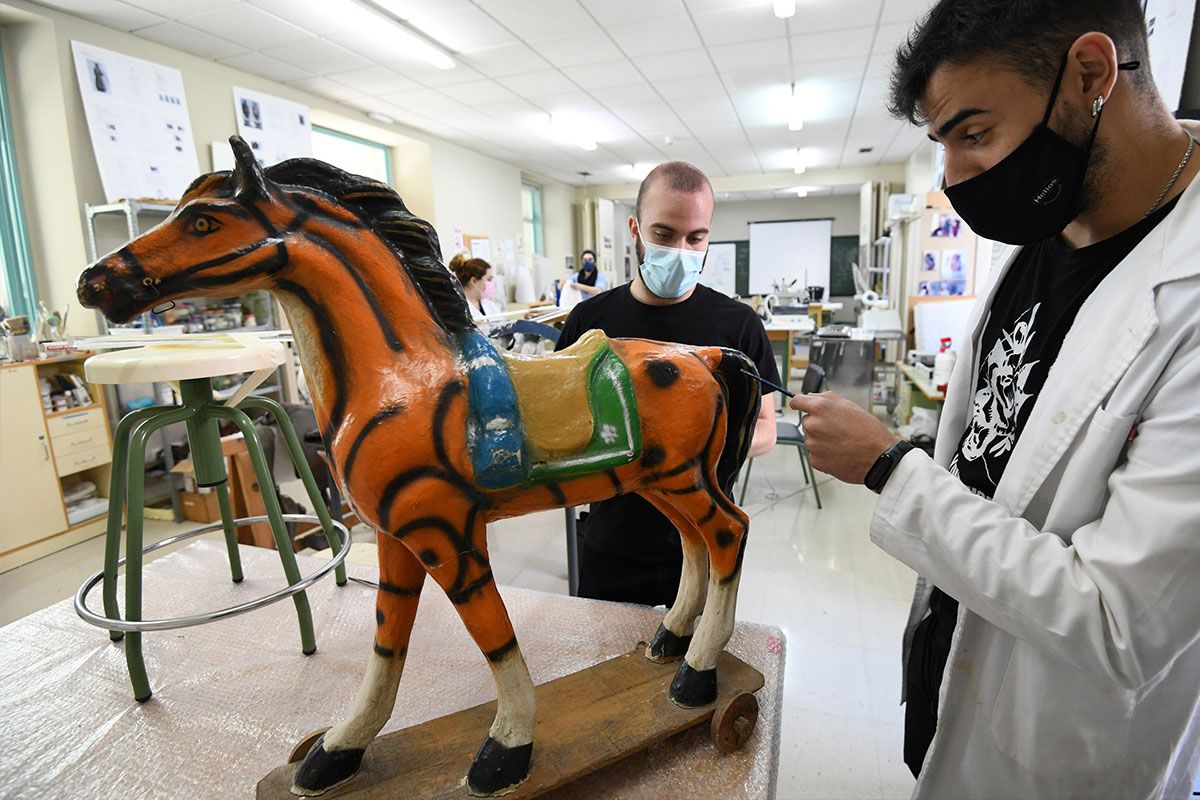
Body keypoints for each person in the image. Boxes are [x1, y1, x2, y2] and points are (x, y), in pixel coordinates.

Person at [790, 1, 1200, 797]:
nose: (953, 181)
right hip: (952, 671)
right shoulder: (1051, 231)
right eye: (942, 145)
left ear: (1090, 74)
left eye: (974, 134)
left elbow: (1120, 623)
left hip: (1059, 742)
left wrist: (888, 468)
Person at [555, 162, 780, 607]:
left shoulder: (738, 325)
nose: (680, 249)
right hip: (612, 540)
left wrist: (684, 450)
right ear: (635, 228)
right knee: (604, 667)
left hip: (702, 534)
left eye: (695, 237)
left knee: (695, 664)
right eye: (663, 234)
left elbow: (766, 428)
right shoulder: (590, 321)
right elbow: (564, 421)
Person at [448, 254, 501, 321]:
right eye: (489, 279)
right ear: (474, 281)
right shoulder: (458, 310)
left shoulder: (491, 306)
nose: (492, 284)